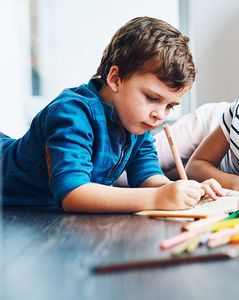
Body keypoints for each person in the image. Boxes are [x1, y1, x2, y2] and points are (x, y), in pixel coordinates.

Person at [1, 16, 222, 213]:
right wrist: (157, 198)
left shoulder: (136, 122)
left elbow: (147, 175)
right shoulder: (72, 113)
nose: (160, 115)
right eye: (152, 98)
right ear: (115, 78)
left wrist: (184, 191)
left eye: (170, 106)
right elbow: (73, 193)